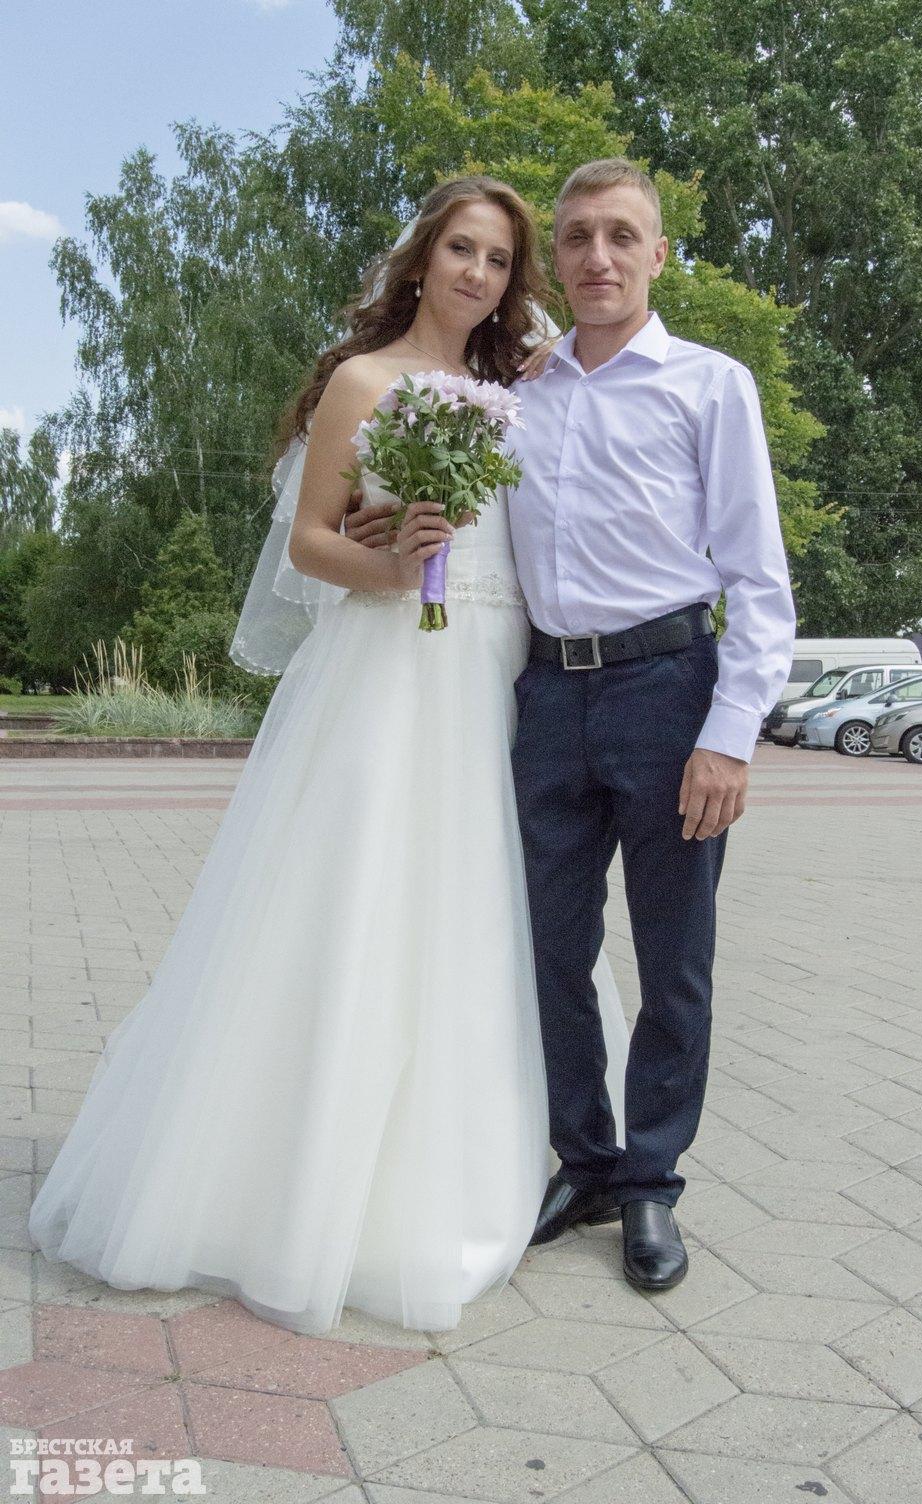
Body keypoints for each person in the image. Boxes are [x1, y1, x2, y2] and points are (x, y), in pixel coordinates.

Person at [26, 174, 630, 1338]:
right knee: (355, 896)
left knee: (481, 908)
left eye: (499, 259)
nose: (477, 273)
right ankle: (296, 1181)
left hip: (496, 669)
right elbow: (311, 542)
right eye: (460, 249)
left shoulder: (521, 385)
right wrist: (394, 563)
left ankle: (493, 1158)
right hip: (389, 668)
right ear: (421, 258)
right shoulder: (363, 380)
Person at [346, 157, 797, 1294]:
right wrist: (374, 523)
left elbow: (759, 578)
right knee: (549, 947)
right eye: (579, 237)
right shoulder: (519, 390)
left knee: (673, 955)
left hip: (669, 690)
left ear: (657, 255)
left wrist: (729, 733)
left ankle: (651, 1183)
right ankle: (585, 1161)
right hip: (545, 695)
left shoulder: (710, 386)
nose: (599, 256)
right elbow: (440, 507)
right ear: (558, 256)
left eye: (621, 236)